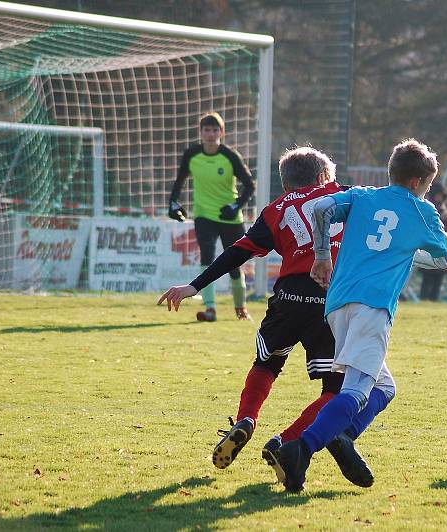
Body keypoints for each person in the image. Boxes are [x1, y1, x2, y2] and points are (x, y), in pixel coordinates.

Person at [158, 147, 374, 488]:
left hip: (288, 297)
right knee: (335, 388)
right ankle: (287, 442)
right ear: (323, 177)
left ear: (286, 184)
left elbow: (237, 253)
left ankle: (246, 418)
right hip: (332, 298)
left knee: (267, 364)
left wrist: (193, 285)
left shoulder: (277, 209)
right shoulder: (346, 195)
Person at [276, 139, 447, 492]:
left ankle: (343, 434)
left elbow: (322, 207)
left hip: (337, 305)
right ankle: (300, 450)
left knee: (384, 387)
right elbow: (444, 260)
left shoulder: (361, 195)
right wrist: (403, 254)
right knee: (356, 391)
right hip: (372, 308)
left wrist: (322, 254)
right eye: (428, 187)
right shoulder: (423, 211)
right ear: (418, 183)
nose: (426, 192)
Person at [168, 112, 255, 322]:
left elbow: (249, 185)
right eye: (206, 130)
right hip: (204, 215)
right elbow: (179, 181)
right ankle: (210, 309)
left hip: (230, 218)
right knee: (206, 253)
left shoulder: (230, 156)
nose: (210, 134)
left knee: (234, 263)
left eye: (215, 130)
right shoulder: (191, 154)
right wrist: (172, 203)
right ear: (201, 132)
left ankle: (240, 308)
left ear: (222, 132)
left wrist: (235, 207)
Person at [419, 181, 447, 301]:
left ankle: (433, 301)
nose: (439, 197)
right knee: (427, 279)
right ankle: (424, 301)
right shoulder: (429, 208)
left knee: (438, 281)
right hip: (430, 248)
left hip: (442, 248)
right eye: (437, 194)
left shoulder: (445, 210)